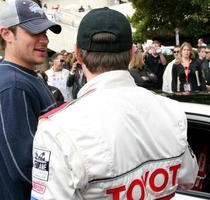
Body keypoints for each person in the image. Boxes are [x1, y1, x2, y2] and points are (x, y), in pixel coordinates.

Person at [31, 7, 198, 199]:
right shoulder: (171, 111)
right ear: (131, 53)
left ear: (77, 54)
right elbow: (188, 178)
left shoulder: (57, 129)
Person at [0, 0, 61, 199]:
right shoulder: (12, 86)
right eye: (35, 32)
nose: (44, 40)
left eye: (45, 32)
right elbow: (25, 168)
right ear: (6, 34)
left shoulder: (27, 76)